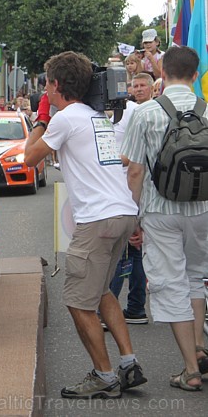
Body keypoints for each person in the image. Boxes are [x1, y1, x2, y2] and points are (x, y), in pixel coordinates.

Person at [24, 51, 145, 399]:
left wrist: (41, 119)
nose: (44, 89)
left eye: (46, 83)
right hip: (122, 213)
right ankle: (128, 363)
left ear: (56, 85)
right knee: (101, 290)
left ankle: (104, 377)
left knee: (78, 302)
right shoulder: (95, 116)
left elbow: (29, 158)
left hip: (97, 220)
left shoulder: (66, 118)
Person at [122, 46, 208, 391]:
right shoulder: (206, 110)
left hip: (160, 210)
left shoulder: (145, 113)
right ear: (195, 75)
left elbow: (134, 171)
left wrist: (137, 213)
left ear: (163, 73)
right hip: (202, 209)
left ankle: (190, 370)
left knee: (169, 283)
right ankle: (199, 348)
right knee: (196, 277)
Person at [105, 73, 153, 327]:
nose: (137, 89)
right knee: (134, 250)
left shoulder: (136, 112)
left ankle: (116, 307)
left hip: (132, 185)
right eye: (134, 85)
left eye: (142, 85)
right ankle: (135, 308)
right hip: (124, 185)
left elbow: (136, 156)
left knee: (123, 249)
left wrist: (110, 159)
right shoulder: (124, 111)